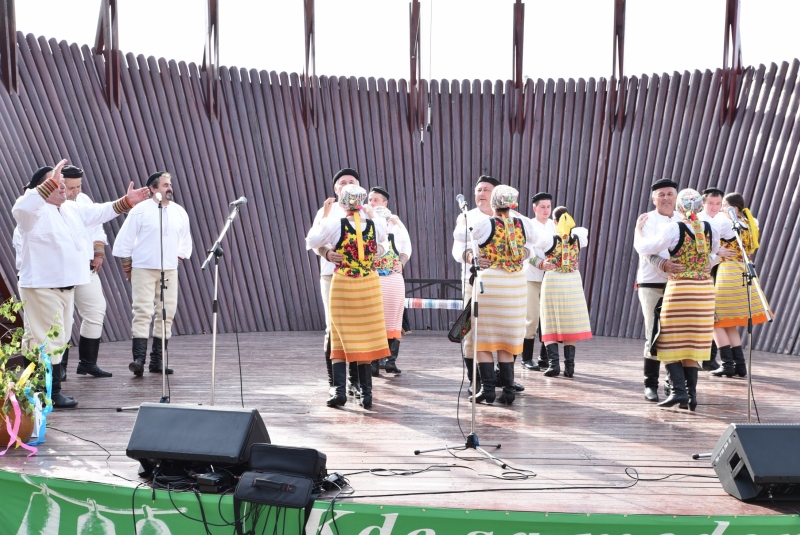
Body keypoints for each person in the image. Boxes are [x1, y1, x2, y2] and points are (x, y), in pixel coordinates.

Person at [13, 160, 150, 407]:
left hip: (66, 287)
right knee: (50, 341)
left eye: (63, 183)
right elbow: (22, 209)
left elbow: (101, 211)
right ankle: (51, 395)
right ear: (42, 188)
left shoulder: (70, 209)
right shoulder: (31, 212)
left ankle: (35, 391)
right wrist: (46, 187)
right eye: (57, 184)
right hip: (43, 287)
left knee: (53, 339)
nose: (64, 188)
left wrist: (127, 201)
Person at [306, 184, 390, 409]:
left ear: (342, 202)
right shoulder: (375, 224)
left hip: (344, 282)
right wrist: (369, 212)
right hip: (369, 283)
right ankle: (367, 394)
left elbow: (311, 240)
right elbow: (384, 241)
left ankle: (340, 391)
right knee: (364, 336)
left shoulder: (335, 223)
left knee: (338, 334)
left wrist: (323, 215)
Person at [634, 188, 720, 410]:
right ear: (700, 206)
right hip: (704, 290)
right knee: (692, 344)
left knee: (664, 339)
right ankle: (691, 396)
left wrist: (639, 231)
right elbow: (713, 256)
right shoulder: (712, 227)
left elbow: (644, 248)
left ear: (679, 207)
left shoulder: (675, 227)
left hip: (681, 288)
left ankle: (679, 391)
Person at [112, 172, 193, 377]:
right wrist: (128, 269)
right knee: (142, 312)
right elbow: (124, 242)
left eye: (170, 184)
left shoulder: (179, 212)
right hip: (143, 269)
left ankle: (157, 361)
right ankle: (138, 360)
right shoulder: (140, 210)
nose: (169, 188)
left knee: (167, 313)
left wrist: (175, 261)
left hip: (169, 271)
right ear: (153, 189)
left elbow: (185, 243)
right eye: (165, 185)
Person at [452, 175, 525, 395]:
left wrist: (523, 254)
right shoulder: (467, 217)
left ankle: (504, 380)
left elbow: (532, 245)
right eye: (478, 190)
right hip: (474, 281)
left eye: (486, 190)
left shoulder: (516, 218)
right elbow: (458, 249)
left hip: (509, 284)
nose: (481, 194)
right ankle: (477, 381)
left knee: (507, 332)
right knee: (473, 333)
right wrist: (470, 257)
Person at [464, 185, 533, 405]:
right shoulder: (524, 224)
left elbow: (471, 244)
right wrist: (523, 253)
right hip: (515, 284)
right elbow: (534, 245)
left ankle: (488, 389)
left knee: (484, 339)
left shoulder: (485, 224)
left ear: (494, 202)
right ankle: (509, 391)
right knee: (506, 340)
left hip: (491, 282)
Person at [308, 168, 363, 398]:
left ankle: (356, 382)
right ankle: (335, 383)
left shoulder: (365, 211)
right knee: (333, 327)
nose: (347, 185)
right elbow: (313, 241)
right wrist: (327, 254)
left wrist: (377, 252)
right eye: (343, 182)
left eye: (352, 181)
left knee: (358, 328)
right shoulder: (326, 211)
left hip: (361, 277)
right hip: (332, 275)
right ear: (335, 189)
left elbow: (380, 241)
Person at [57, 165, 113, 380]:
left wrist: (99, 253)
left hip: (86, 268)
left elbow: (98, 227)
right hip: (63, 271)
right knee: (63, 319)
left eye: (79, 186)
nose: (76, 191)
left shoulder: (84, 200)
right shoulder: (53, 203)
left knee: (96, 309)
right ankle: (59, 367)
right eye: (72, 187)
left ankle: (88, 363)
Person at [709, 192, 772, 379]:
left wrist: (717, 250)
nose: (721, 209)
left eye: (724, 205)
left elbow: (709, 239)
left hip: (728, 272)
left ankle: (728, 364)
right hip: (744, 271)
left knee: (715, 320)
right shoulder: (749, 223)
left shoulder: (725, 222)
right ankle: (739, 365)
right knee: (729, 323)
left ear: (733, 207)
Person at [632, 178, 683, 402]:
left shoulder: (684, 218)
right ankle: (649, 383)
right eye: (661, 194)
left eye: (670, 194)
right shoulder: (646, 219)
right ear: (653, 198)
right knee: (653, 333)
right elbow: (643, 250)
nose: (665, 198)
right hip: (651, 282)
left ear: (676, 196)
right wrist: (662, 264)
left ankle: (672, 384)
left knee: (677, 334)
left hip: (680, 283)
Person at [532, 206, 592, 378]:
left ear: (555, 222)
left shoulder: (549, 239)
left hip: (553, 279)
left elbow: (531, 249)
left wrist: (541, 262)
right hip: (573, 280)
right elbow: (582, 233)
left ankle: (554, 365)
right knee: (569, 321)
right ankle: (570, 367)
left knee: (549, 319)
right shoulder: (579, 238)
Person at [368, 186, 412, 376]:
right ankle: (374, 362)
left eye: (375, 200)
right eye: (370, 199)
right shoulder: (364, 223)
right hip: (373, 279)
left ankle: (390, 360)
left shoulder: (395, 225)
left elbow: (406, 247)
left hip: (393, 280)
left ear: (385, 203)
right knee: (375, 320)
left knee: (394, 319)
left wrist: (401, 263)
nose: (371, 203)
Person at [520, 192, 556, 371]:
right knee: (532, 318)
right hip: (532, 277)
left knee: (549, 318)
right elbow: (528, 250)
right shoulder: (528, 225)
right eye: (542, 207)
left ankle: (544, 357)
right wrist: (541, 263)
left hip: (552, 278)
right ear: (534, 208)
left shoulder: (555, 225)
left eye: (548, 207)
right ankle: (526, 358)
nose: (546, 210)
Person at [697, 186, 730, 371]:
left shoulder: (721, 220)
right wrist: (716, 250)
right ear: (703, 203)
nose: (714, 207)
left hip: (718, 270)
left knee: (714, 314)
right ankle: (702, 357)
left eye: (718, 203)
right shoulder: (698, 221)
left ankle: (710, 358)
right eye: (711, 203)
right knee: (704, 314)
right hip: (704, 271)